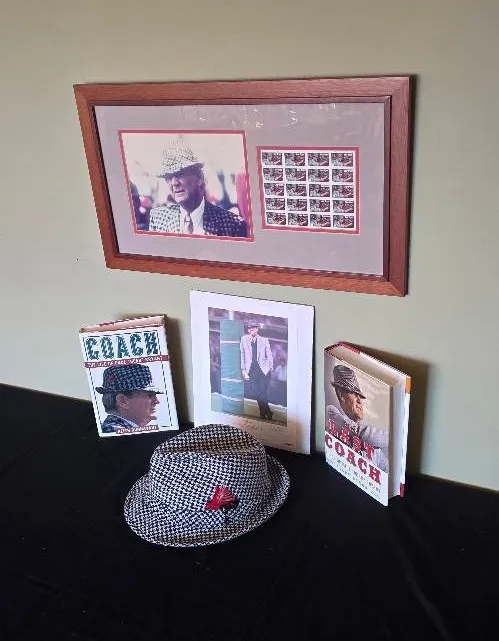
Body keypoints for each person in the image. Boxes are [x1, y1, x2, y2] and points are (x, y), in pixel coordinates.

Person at [149, 138, 248, 237]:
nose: (174, 183)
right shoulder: (158, 218)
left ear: (200, 178)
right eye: (168, 177)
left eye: (180, 174)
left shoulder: (232, 224)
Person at [327, 364, 389, 472]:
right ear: (341, 394)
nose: (360, 401)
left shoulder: (375, 449)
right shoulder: (331, 412)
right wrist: (395, 439)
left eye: (359, 396)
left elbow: (386, 468)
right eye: (355, 394)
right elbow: (361, 433)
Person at [95, 364, 162, 433]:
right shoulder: (114, 430)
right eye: (150, 395)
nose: (157, 401)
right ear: (122, 401)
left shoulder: (119, 429)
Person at [240, 322, 274, 420]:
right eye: (250, 328)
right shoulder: (244, 339)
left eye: (254, 328)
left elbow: (269, 354)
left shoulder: (264, 340)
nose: (252, 329)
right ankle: (268, 411)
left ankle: (262, 413)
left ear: (257, 329)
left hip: (264, 370)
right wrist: (243, 369)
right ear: (248, 330)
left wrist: (271, 367)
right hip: (251, 370)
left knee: (262, 391)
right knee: (257, 392)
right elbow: (242, 355)